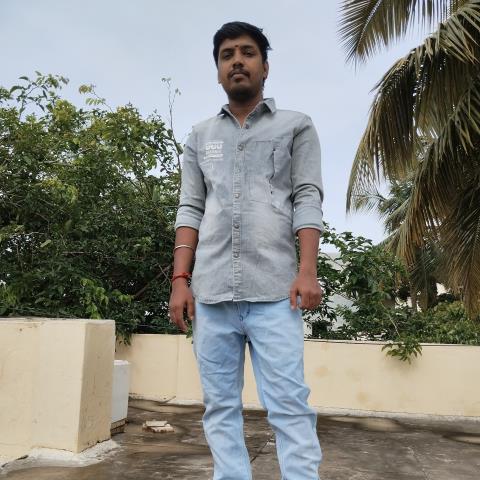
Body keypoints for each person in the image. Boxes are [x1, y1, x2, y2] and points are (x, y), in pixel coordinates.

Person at [169, 21, 324, 480]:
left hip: (275, 293)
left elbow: (307, 196)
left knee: (289, 405)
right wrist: (180, 280)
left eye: (247, 52)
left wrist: (307, 270)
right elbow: (190, 207)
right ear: (218, 70)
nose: (237, 61)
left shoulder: (296, 126)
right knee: (219, 408)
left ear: (265, 66)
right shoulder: (200, 136)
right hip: (212, 294)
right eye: (227, 55)